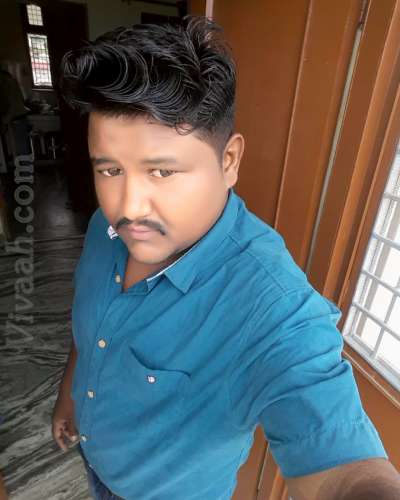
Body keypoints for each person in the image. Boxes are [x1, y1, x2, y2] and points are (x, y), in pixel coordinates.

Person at [51, 15, 400, 500]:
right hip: (94, 458)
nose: (127, 207)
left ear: (229, 161)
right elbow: (92, 329)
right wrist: (70, 396)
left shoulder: (272, 307)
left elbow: (344, 470)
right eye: (109, 170)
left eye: (162, 172)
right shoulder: (103, 229)